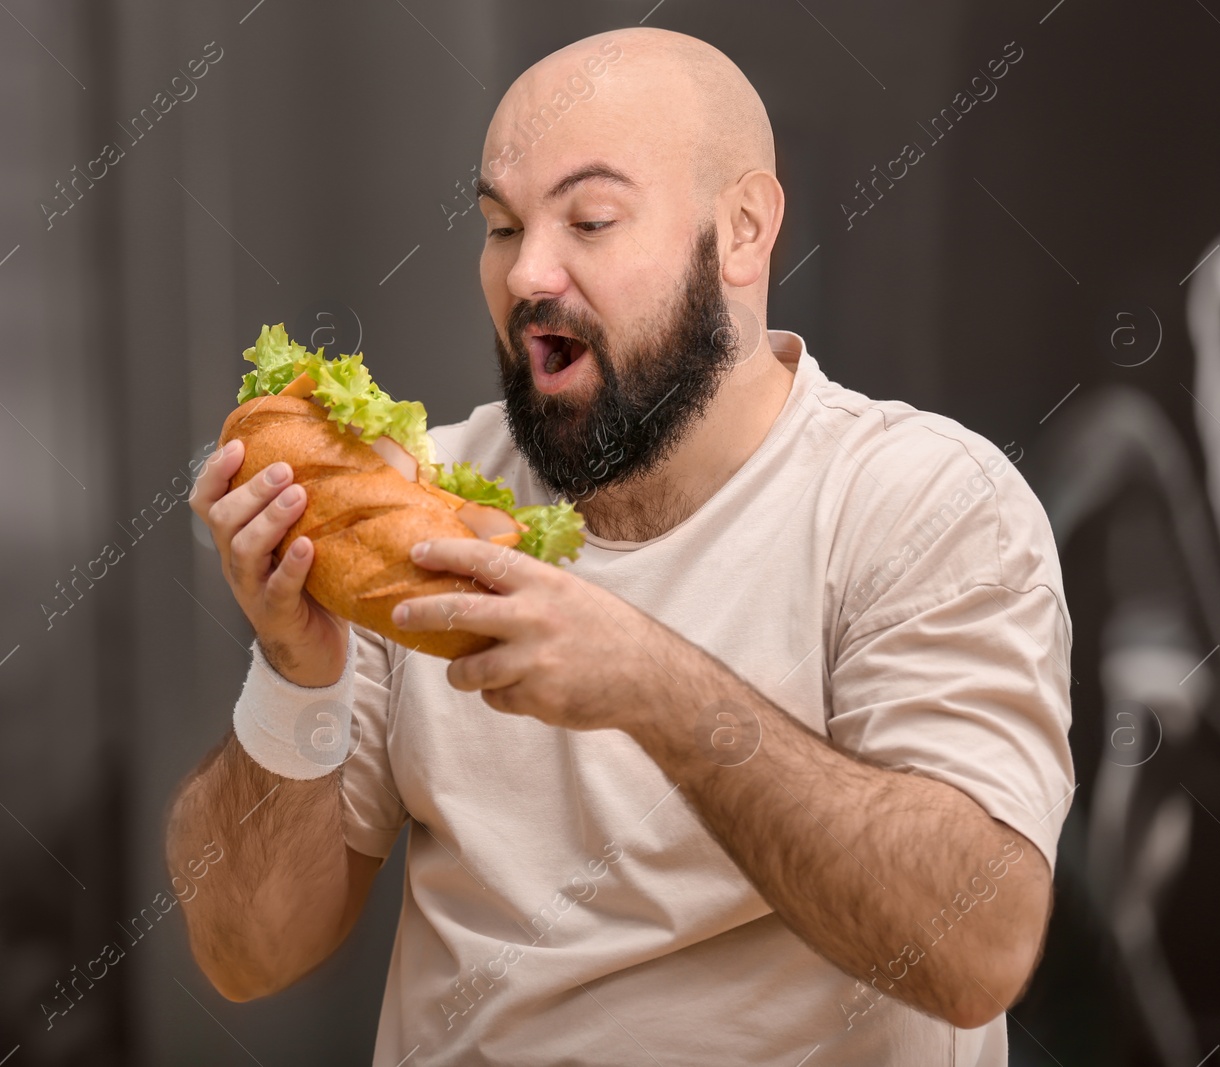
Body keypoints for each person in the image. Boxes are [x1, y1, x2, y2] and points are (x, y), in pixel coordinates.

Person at [170, 25, 1074, 1066]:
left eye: (589, 219)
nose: (527, 273)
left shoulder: (918, 502)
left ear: (741, 230)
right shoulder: (422, 495)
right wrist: (295, 675)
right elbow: (245, 952)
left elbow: (976, 947)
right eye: (502, 227)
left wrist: (653, 685)